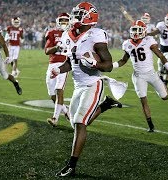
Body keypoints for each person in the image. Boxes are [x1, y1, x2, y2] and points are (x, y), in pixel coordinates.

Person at [52, 2, 122, 177]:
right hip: (78, 86)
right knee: (76, 123)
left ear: (89, 17)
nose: (75, 16)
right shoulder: (68, 35)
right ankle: (105, 105)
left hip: (93, 84)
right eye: (76, 13)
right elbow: (70, 62)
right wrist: (58, 69)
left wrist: (95, 63)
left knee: (80, 123)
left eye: (79, 13)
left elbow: (108, 66)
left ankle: (71, 165)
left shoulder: (95, 35)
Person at [112, 20, 168, 132]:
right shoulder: (127, 44)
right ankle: (151, 125)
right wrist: (112, 66)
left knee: (165, 97)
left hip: (152, 74)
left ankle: (163, 84)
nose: (135, 33)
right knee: (143, 100)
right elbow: (123, 60)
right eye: (134, 30)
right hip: (138, 76)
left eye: (138, 30)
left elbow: (160, 55)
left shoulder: (149, 40)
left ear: (144, 31)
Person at [45, 13, 71, 126]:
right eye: (62, 21)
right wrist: (57, 47)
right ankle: (66, 110)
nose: (64, 23)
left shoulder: (72, 34)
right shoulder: (52, 33)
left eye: (66, 21)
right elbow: (46, 51)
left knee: (59, 90)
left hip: (64, 64)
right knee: (52, 95)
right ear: (58, 21)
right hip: (52, 64)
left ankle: (55, 118)